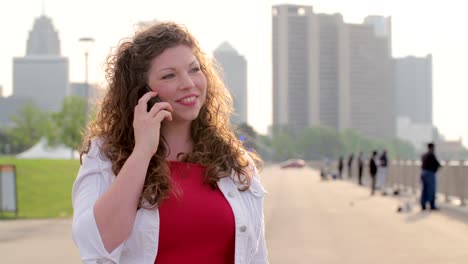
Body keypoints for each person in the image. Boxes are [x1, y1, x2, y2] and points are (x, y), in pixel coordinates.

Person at [71, 21, 269, 264]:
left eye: (194, 69)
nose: (188, 83)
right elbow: (97, 244)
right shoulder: (106, 156)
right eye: (169, 75)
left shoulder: (235, 163)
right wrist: (143, 152)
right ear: (141, 92)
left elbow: (256, 257)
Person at [420, 142, 441, 211]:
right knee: (431, 190)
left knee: (424, 190)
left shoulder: (424, 155)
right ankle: (432, 205)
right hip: (430, 174)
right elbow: (437, 164)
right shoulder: (431, 155)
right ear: (432, 147)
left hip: (423, 173)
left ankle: (423, 205)